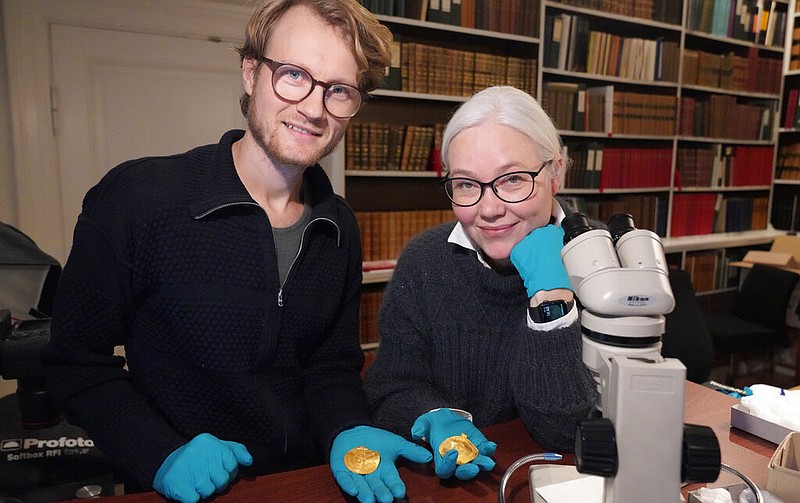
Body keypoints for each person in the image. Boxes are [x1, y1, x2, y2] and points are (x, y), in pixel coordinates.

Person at [41, 1, 432, 502]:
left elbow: (330, 366)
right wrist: (158, 454)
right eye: (293, 75)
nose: (314, 108)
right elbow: (76, 365)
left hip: (307, 483)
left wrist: (347, 427)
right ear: (251, 72)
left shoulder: (339, 226)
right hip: (181, 491)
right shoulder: (138, 199)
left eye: (339, 90)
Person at [364, 85, 598, 481]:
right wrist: (433, 415)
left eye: (512, 180)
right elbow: (390, 387)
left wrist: (549, 301)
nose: (488, 209)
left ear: (556, 173)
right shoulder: (425, 261)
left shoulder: (603, 266)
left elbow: (565, 433)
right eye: (467, 184)